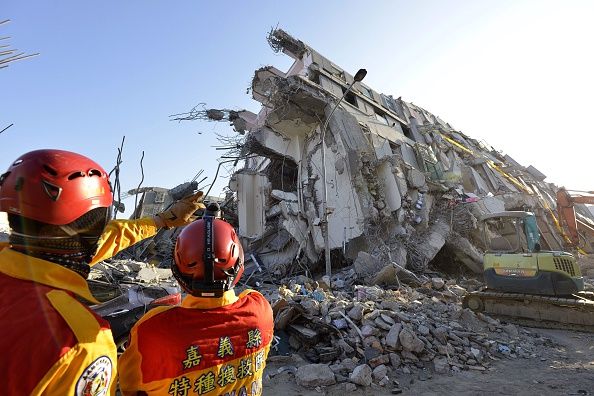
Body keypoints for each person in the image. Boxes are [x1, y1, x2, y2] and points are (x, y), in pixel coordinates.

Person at [0, 149, 204, 395]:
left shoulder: (30, 254)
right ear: (92, 226)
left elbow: (103, 239)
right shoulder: (82, 341)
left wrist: (161, 220)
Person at [118, 208, 274, 396]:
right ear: (239, 264)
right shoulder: (261, 309)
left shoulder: (150, 330)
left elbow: (129, 388)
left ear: (177, 271)